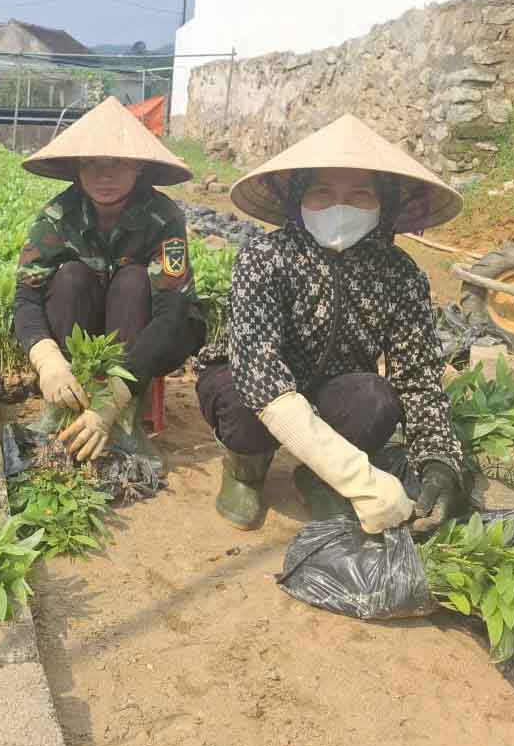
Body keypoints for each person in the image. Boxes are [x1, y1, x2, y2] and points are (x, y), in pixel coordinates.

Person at [195, 114, 467, 533]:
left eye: (360, 194)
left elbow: (418, 379)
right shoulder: (266, 257)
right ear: (298, 200)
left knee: (376, 400)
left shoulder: (401, 274)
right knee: (239, 401)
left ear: (385, 203)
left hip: (333, 388)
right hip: (255, 388)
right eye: (322, 192)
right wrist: (358, 478)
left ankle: (316, 474)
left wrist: (439, 462)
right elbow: (260, 374)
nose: (340, 207)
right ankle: (245, 469)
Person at [14, 97, 206, 461]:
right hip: (77, 326)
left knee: (134, 280)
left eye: (118, 164)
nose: (105, 176)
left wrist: (117, 394)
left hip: (137, 333)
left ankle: (125, 420)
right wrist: (48, 361)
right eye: (93, 164)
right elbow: (26, 296)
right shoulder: (57, 216)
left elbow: (172, 312)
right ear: (77, 169)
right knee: (70, 276)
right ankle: (63, 407)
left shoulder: (162, 216)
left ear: (139, 168)